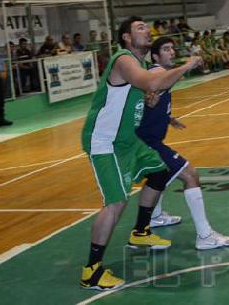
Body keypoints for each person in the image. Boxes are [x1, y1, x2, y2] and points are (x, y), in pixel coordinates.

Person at [80, 16, 203, 291]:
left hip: (128, 141)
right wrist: (186, 65)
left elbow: (147, 92)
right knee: (115, 202)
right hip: (105, 141)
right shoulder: (124, 59)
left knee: (160, 170)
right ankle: (91, 270)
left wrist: (151, 102)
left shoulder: (143, 65)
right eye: (139, 28)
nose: (146, 30)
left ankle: (140, 232)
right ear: (125, 37)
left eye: (147, 27)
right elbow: (150, 83)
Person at [136, 36, 229, 249]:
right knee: (190, 175)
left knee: (159, 176)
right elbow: (159, 82)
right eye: (165, 49)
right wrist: (189, 64)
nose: (171, 52)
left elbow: (148, 102)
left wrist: (168, 118)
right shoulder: (157, 73)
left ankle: (154, 216)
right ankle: (205, 236)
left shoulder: (159, 76)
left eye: (172, 48)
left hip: (146, 139)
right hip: (147, 143)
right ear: (155, 56)